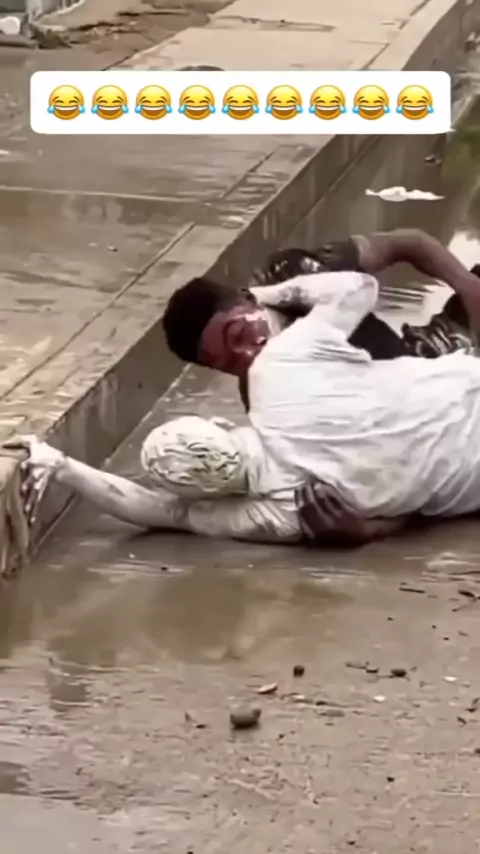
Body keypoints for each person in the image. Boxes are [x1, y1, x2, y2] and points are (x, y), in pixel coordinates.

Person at [10, 265, 480, 548]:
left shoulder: (284, 512)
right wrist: (268, 297)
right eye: (228, 359)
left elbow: (160, 512)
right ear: (218, 423)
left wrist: (63, 466)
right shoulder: (275, 371)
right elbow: (358, 288)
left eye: (240, 333)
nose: (248, 352)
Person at [162, 230, 479, 410]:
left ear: (248, 298)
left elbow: (408, 243)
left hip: (429, 357)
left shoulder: (295, 275)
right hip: (417, 416)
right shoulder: (265, 398)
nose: (249, 353)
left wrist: (468, 288)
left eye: (239, 334)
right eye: (231, 365)